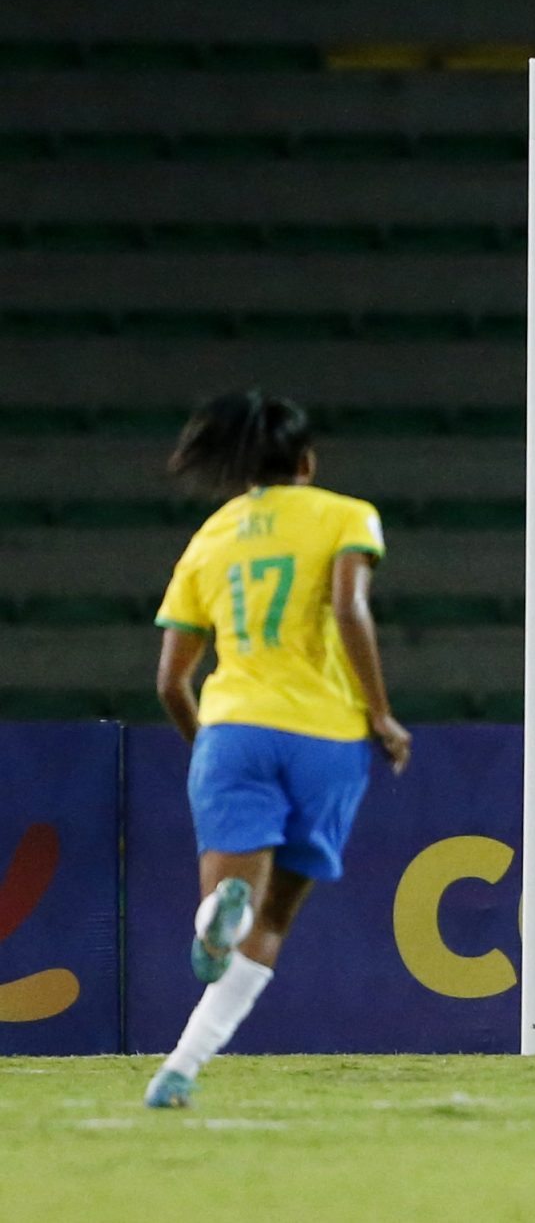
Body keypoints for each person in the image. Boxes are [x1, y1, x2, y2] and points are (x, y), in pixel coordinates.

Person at [144, 389, 411, 1109]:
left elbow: (171, 680)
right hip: (328, 737)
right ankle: (182, 1067)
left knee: (228, 908)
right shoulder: (345, 515)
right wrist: (381, 715)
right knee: (274, 918)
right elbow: (350, 607)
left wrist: (210, 749)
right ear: (306, 460)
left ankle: (211, 918)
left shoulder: (211, 537)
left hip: (234, 731)